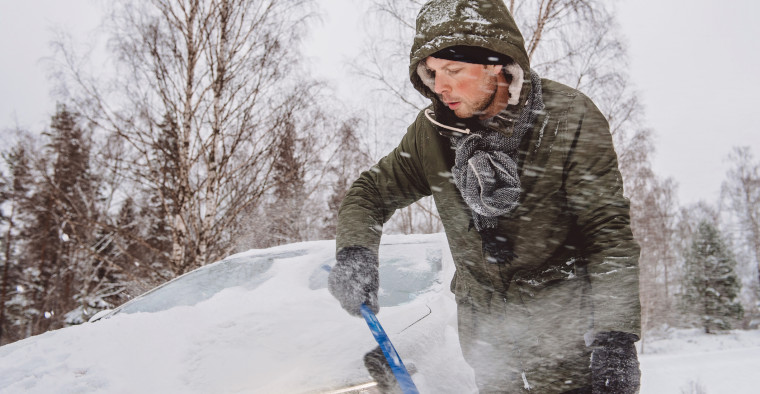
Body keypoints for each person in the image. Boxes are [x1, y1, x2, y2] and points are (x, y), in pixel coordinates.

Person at [327, 0, 642, 393]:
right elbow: (369, 192)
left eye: (453, 70)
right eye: (432, 73)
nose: (439, 87)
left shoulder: (568, 118)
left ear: (495, 62)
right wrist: (355, 253)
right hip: (491, 353)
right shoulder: (432, 135)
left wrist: (616, 338)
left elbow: (607, 233)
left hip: (569, 350)